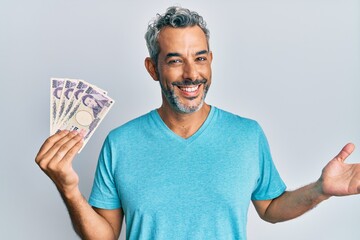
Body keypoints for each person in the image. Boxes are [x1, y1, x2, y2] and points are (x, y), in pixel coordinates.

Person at [35, 6, 360, 240]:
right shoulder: (120, 143)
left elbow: (271, 207)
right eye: (175, 61)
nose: (192, 74)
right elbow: (104, 236)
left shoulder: (247, 135)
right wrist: (68, 188)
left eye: (200, 58)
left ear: (211, 61)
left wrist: (321, 190)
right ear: (152, 68)